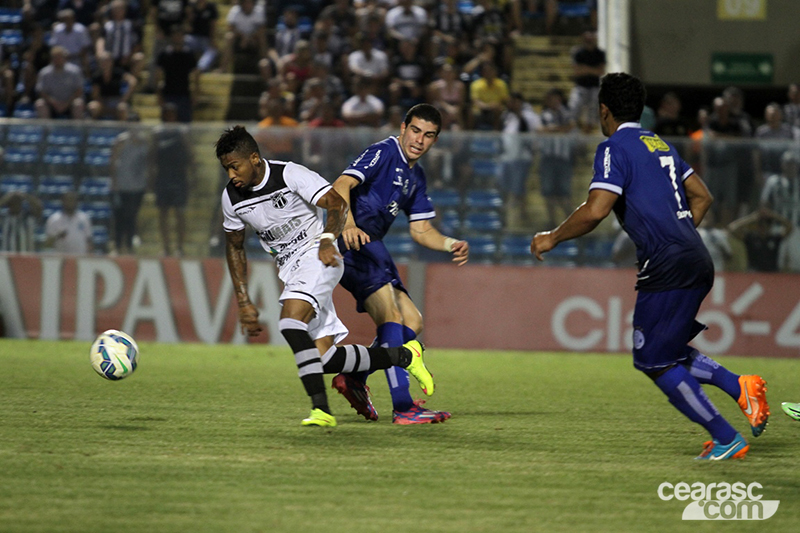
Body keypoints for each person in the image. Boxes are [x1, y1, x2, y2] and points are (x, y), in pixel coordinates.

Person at [532, 73, 770, 460]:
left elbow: (596, 210)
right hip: (696, 256)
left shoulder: (613, 148)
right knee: (667, 348)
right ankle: (739, 386)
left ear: (603, 110)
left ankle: (726, 437)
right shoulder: (659, 144)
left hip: (667, 262)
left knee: (653, 359)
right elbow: (703, 197)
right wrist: (678, 236)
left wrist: (552, 237)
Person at [215, 125, 435, 427]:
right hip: (290, 269)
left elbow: (337, 202)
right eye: (226, 169)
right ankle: (404, 356)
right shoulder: (231, 198)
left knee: (291, 324)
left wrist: (329, 239)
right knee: (324, 358)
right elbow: (234, 246)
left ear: (254, 158)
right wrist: (243, 301)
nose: (231, 175)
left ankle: (321, 409)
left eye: (234, 166)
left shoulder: (289, 174)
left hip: (318, 255)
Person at [331, 103, 470, 424]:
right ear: (403, 128)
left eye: (428, 135)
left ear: (435, 140)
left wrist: (450, 243)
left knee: (412, 321)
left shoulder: (415, 176)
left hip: (372, 247)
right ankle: (404, 407)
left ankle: (355, 376)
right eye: (415, 131)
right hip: (353, 243)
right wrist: (348, 224)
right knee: (392, 317)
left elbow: (421, 230)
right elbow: (341, 184)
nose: (419, 140)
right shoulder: (384, 151)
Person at [110, 129, 150, 254]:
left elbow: (148, 161)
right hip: (122, 186)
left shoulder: (144, 141)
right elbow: (113, 160)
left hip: (137, 186)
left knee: (132, 216)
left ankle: (129, 245)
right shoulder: (121, 140)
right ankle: (118, 245)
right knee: (119, 217)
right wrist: (115, 183)